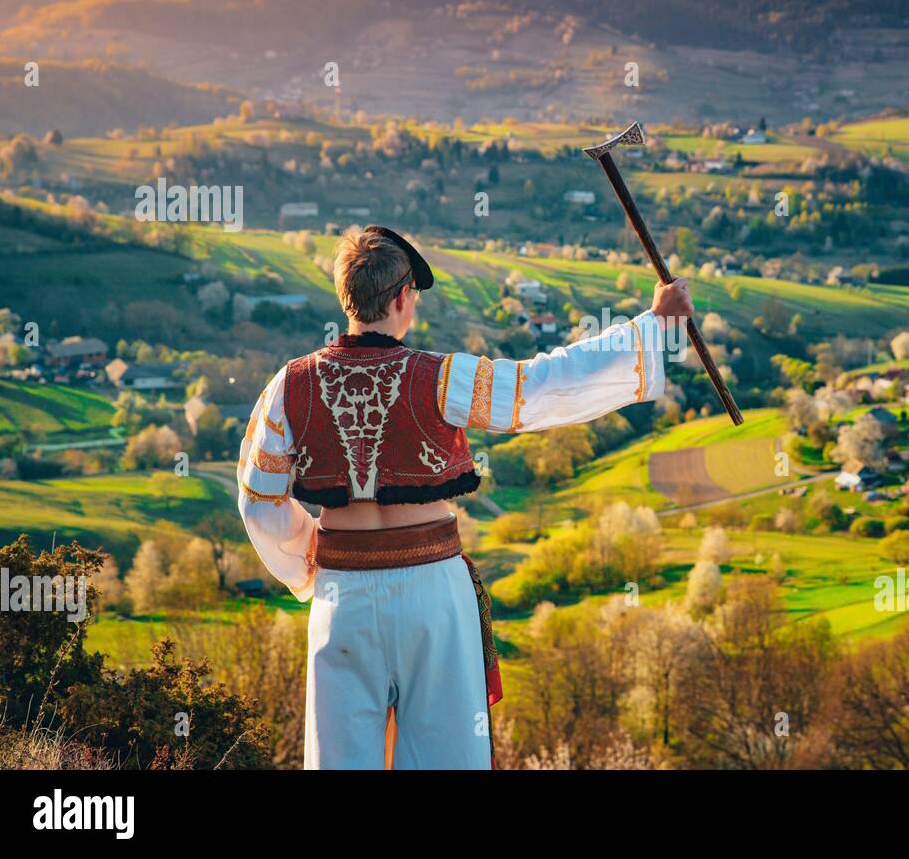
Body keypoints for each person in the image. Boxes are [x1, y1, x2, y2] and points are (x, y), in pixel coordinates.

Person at [237, 225, 692, 768]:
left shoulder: (290, 385)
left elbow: (257, 500)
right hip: (433, 593)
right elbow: (538, 387)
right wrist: (651, 326)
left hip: (343, 598)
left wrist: (310, 562)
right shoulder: (441, 378)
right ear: (403, 297)